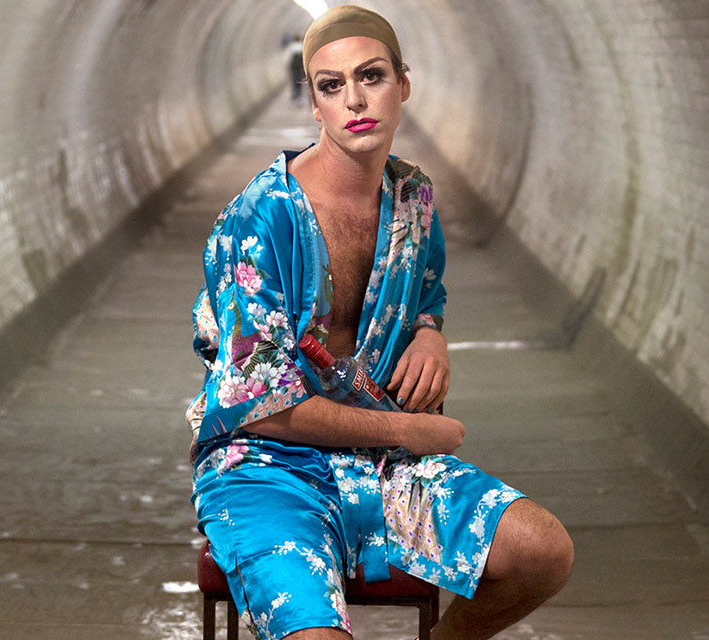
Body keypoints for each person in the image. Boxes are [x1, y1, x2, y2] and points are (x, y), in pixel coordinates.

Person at [186, 6, 573, 639]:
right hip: (266, 467)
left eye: (372, 77)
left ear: (404, 84)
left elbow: (422, 294)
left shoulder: (412, 200)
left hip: (380, 465)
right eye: (332, 86)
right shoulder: (261, 218)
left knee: (544, 553)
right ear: (314, 104)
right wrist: (409, 428)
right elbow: (257, 406)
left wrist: (430, 333)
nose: (355, 100)